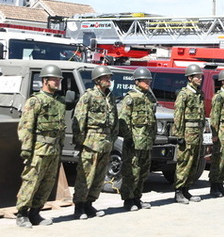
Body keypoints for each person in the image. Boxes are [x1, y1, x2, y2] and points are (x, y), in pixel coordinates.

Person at [15, 64, 66, 228]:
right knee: (31, 181)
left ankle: (35, 212)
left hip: (54, 149)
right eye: (54, 79)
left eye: (59, 79)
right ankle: (22, 214)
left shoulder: (58, 102)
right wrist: (27, 149)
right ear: (45, 80)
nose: (58, 82)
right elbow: (26, 127)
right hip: (39, 149)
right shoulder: (35, 101)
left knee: (47, 183)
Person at [72, 65, 118, 219]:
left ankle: (89, 203)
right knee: (86, 175)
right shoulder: (88, 96)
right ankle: (79, 206)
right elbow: (79, 120)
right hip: (90, 143)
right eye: (106, 78)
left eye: (109, 77)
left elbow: (115, 120)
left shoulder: (110, 97)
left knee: (99, 176)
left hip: (105, 142)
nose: (109, 80)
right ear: (97, 80)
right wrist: (80, 141)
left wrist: (112, 138)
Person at [118, 67, 157, 211]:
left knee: (143, 171)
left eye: (149, 80)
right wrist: (128, 138)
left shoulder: (149, 97)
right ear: (137, 81)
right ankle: (128, 200)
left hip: (146, 142)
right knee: (131, 172)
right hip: (134, 142)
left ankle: (137, 197)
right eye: (145, 80)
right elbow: (123, 119)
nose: (148, 83)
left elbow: (152, 119)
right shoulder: (130, 98)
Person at [172, 64, 205, 203]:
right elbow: (178, 115)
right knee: (184, 162)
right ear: (190, 78)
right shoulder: (184, 94)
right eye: (197, 76)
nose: (200, 78)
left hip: (197, 133)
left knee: (194, 163)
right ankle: (179, 191)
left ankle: (186, 189)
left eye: (200, 76)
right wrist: (179, 135)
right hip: (187, 133)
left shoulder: (199, 94)